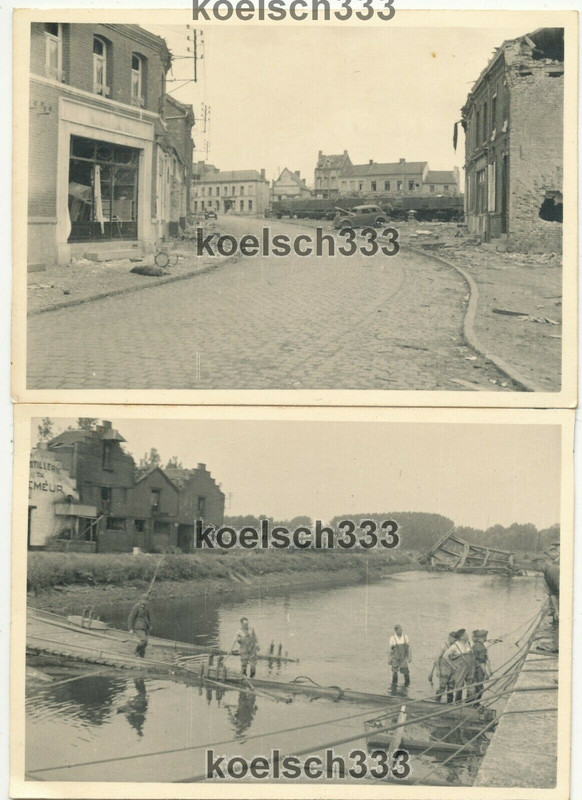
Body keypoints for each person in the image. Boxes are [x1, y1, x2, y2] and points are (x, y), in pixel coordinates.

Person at [442, 629, 474, 703]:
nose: (467, 635)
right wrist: (453, 666)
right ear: (462, 637)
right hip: (460, 668)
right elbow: (445, 656)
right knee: (459, 686)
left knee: (470, 686)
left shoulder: (469, 643)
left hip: (469, 669)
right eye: (466, 634)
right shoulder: (455, 645)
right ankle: (457, 703)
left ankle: (469, 704)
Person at [429, 631, 457, 703]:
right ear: (450, 638)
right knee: (442, 688)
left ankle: (449, 703)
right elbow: (437, 658)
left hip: (452, 670)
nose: (455, 640)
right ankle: (437, 702)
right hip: (444, 669)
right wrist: (437, 670)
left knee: (451, 689)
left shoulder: (454, 646)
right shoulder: (444, 645)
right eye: (454, 639)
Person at [128, 594, 152, 658]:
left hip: (145, 627)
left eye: (147, 600)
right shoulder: (137, 607)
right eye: (144, 600)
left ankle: (141, 657)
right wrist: (130, 628)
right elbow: (131, 618)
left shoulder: (146, 607)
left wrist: (149, 626)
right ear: (141, 600)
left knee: (145, 643)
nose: (146, 602)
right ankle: (136, 652)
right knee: (144, 640)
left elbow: (148, 617)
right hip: (138, 627)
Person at [472, 629, 492, 702]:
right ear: (484, 637)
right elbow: (482, 662)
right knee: (480, 688)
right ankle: (475, 704)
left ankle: (472, 703)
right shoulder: (482, 648)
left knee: (475, 687)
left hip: (473, 669)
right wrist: (486, 674)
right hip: (479, 670)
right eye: (486, 636)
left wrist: (490, 670)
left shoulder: (475, 645)